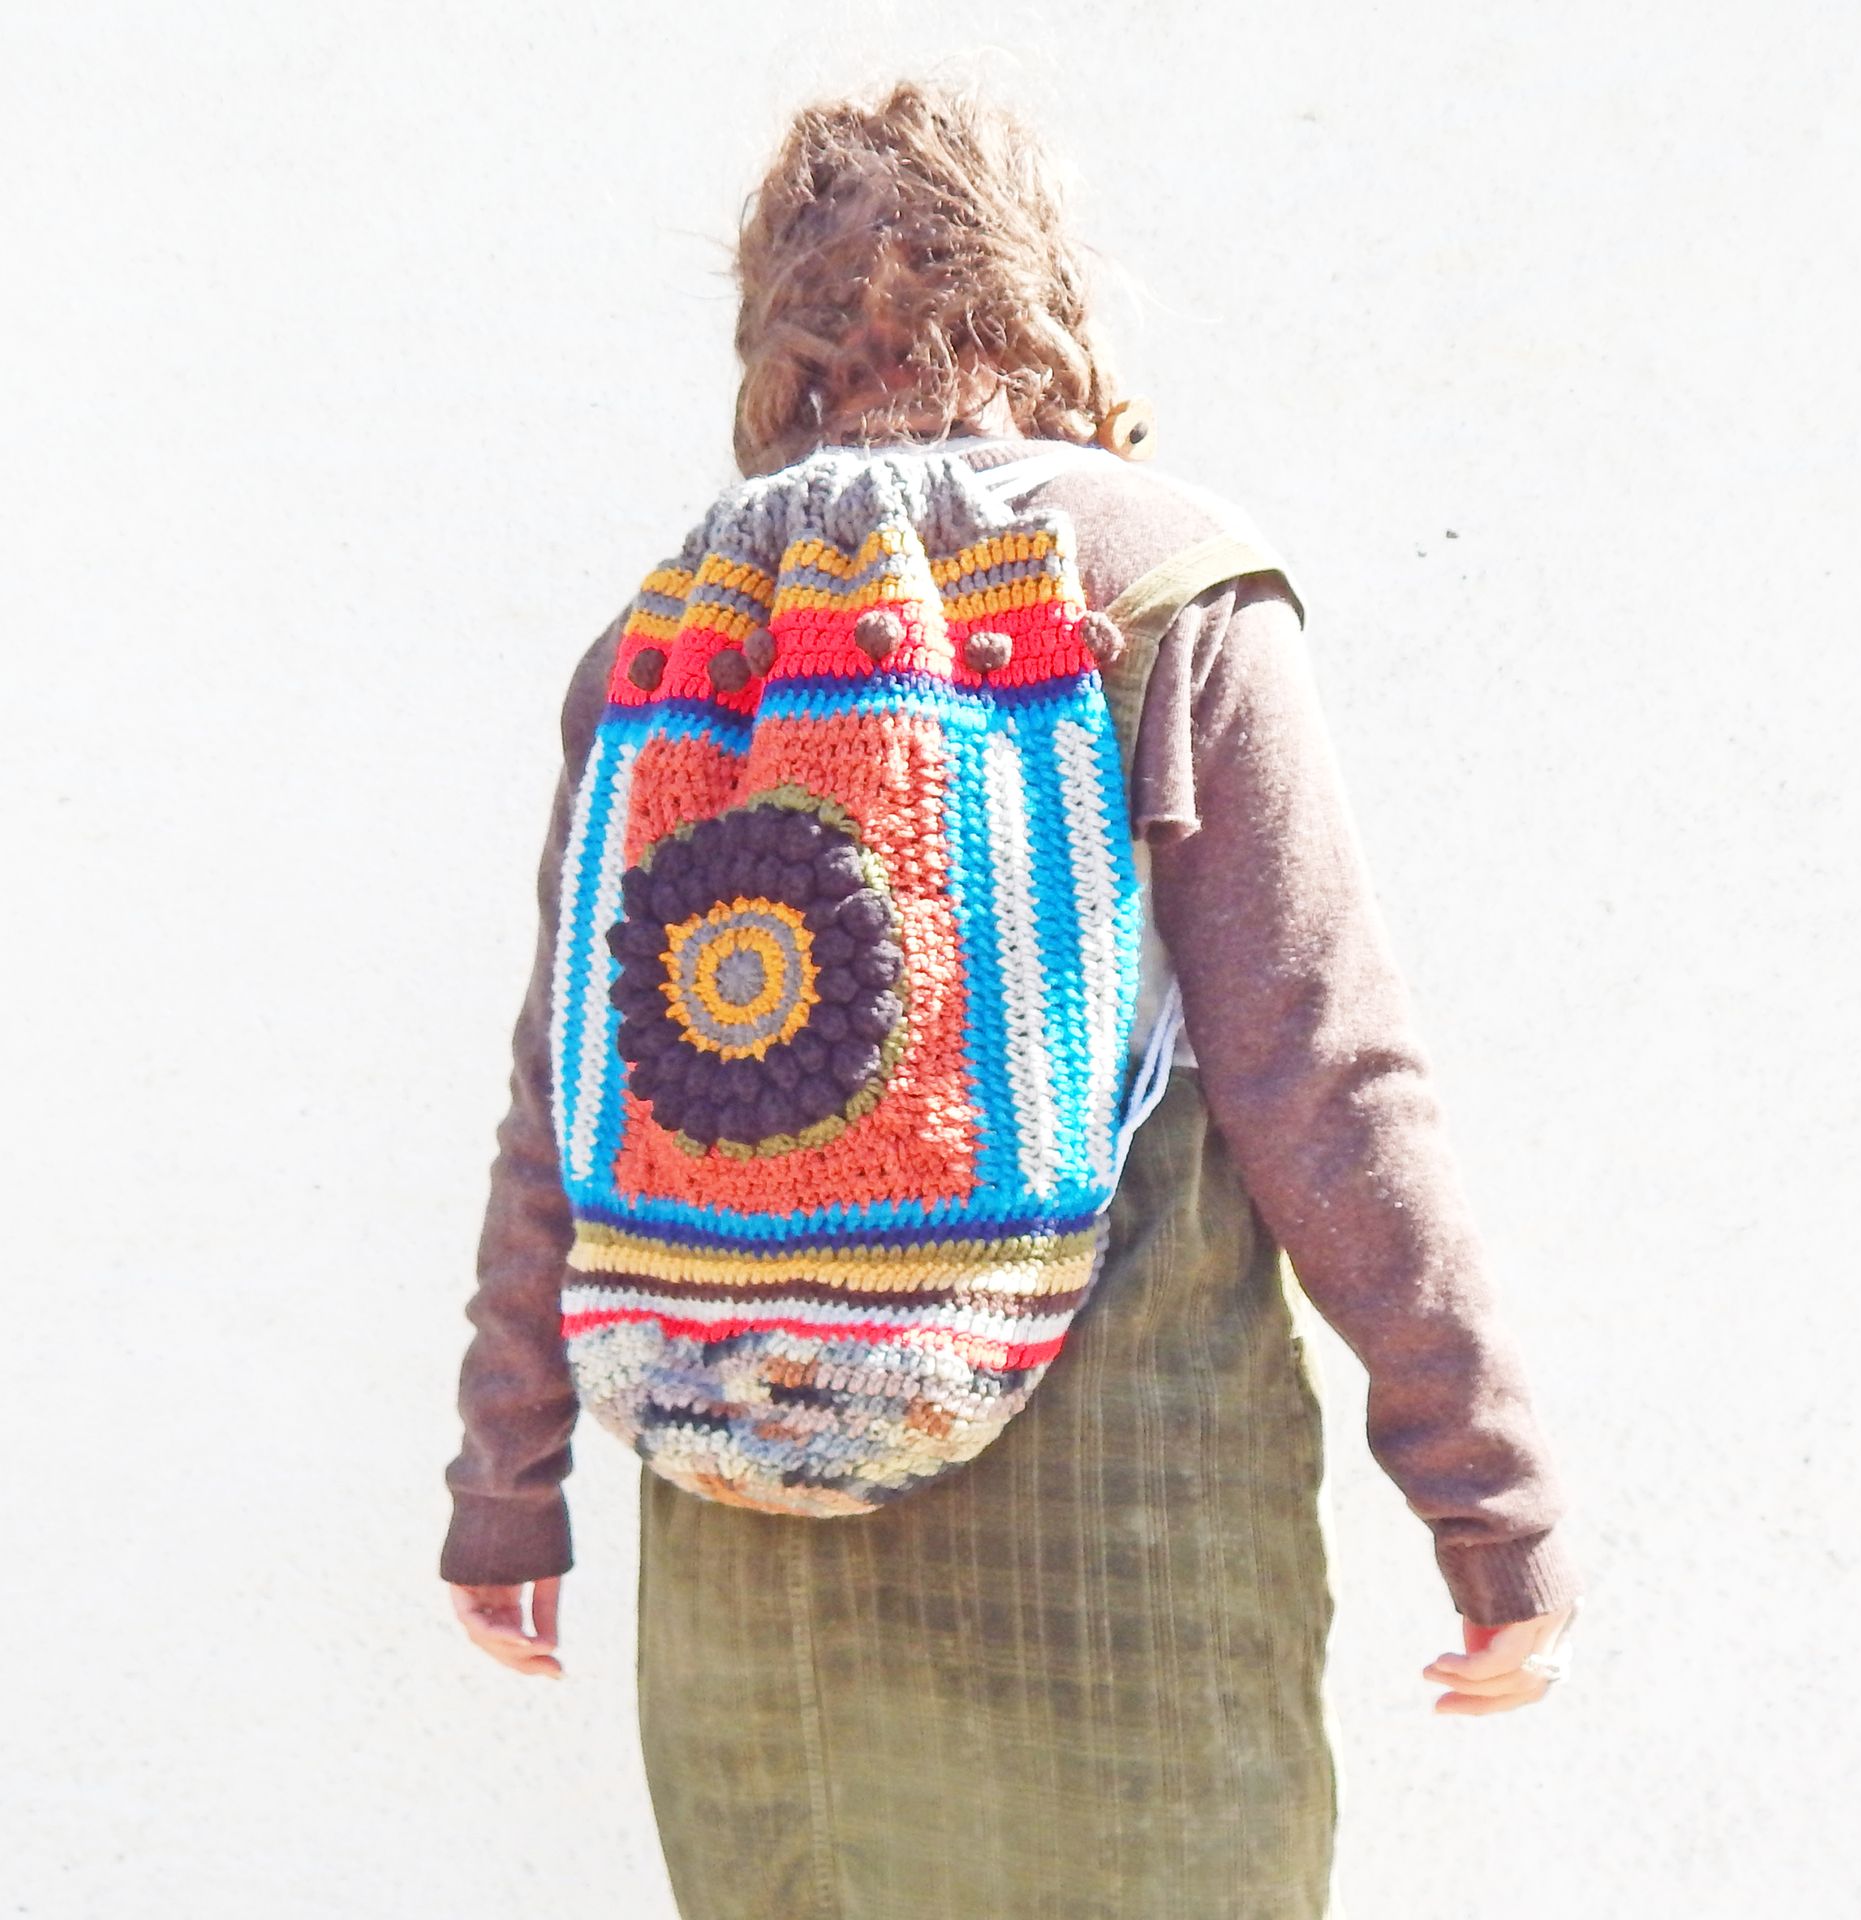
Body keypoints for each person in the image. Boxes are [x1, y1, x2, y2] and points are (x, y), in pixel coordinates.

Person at [440, 74, 1582, 1920]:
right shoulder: (1160, 585)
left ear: (777, 315)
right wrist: (1491, 1504)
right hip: (1120, 1576)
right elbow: (1327, 1081)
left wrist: (505, 1480)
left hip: (754, 1590)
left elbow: (566, 1097)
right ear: (1044, 282)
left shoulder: (667, 648)